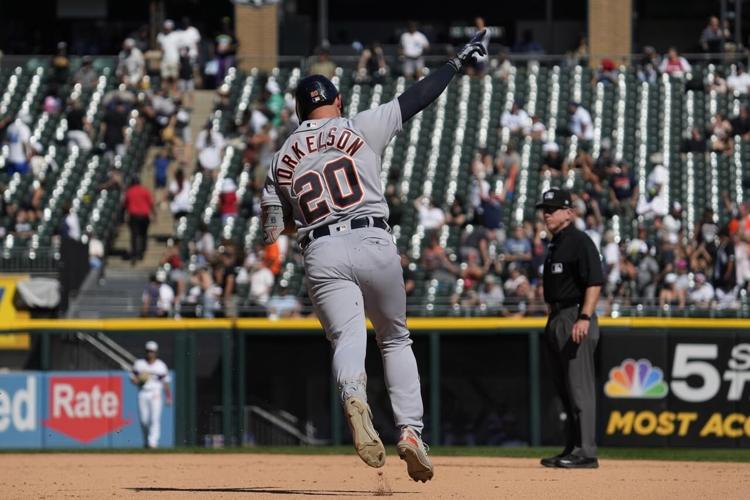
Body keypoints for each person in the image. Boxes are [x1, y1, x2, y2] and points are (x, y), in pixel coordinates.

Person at [261, 29, 489, 482]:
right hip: (372, 238)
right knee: (395, 338)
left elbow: (272, 230)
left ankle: (352, 393)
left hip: (321, 249)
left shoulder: (280, 157)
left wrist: (303, 214)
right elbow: (418, 95)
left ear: (299, 110)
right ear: (338, 101)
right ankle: (410, 431)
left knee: (348, 340)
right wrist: (456, 62)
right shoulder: (361, 126)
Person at [536, 188, 602, 469]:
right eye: (545, 209)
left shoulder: (579, 241)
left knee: (579, 387)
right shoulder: (555, 244)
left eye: (553, 208)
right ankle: (572, 447)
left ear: (570, 212)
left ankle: (586, 451)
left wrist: (584, 317)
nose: (547, 213)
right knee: (564, 388)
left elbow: (595, 281)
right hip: (556, 317)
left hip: (575, 315)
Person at [130, 341, 172, 448]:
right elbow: (133, 379)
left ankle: (153, 443)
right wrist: (139, 380)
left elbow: (166, 382)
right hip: (143, 392)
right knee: (144, 420)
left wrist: (168, 396)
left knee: (155, 419)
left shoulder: (161, 365)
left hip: (156, 393)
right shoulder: (139, 364)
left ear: (156, 352)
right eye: (148, 351)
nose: (150, 353)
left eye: (152, 351)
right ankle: (146, 441)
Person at [124, 176, 155, 264]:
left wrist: (124, 217)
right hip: (144, 216)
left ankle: (134, 254)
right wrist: (154, 215)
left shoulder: (129, 191)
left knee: (134, 235)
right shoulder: (145, 190)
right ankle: (141, 252)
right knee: (143, 234)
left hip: (134, 216)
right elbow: (151, 203)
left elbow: (125, 205)